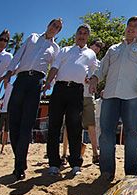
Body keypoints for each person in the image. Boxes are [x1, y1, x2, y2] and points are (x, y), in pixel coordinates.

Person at [0, 18, 63, 180]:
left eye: (58, 28)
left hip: (36, 83)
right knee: (14, 122)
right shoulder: (32, 37)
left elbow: (54, 69)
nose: (54, 28)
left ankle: (19, 166)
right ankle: (20, 160)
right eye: (53, 25)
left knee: (26, 124)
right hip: (20, 80)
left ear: (59, 31)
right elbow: (18, 55)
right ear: (48, 25)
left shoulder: (55, 48)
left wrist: (49, 84)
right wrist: (10, 72)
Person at [89, 16, 137, 181]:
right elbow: (102, 68)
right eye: (129, 25)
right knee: (106, 134)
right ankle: (106, 172)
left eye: (136, 26)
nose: (132, 28)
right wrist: (95, 79)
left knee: (132, 134)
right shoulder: (113, 49)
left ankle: (131, 174)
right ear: (126, 28)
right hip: (110, 95)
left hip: (133, 95)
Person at [42, 24, 98, 176]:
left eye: (85, 33)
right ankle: (53, 163)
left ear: (88, 37)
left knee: (75, 127)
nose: (82, 35)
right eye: (79, 32)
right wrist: (48, 83)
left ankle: (75, 164)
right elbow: (54, 67)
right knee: (54, 126)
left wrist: (91, 81)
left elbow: (94, 71)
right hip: (59, 89)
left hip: (76, 91)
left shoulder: (91, 54)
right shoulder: (65, 50)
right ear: (75, 35)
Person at [79, 39, 104, 165]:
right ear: (91, 44)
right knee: (71, 126)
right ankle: (66, 154)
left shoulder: (98, 64)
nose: (98, 48)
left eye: (100, 47)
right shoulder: (80, 57)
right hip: (75, 94)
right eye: (96, 45)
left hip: (89, 96)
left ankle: (95, 153)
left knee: (91, 125)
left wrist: (93, 81)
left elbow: (99, 78)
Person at [0, 83, 13, 154]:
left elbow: (1, 101)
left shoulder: (9, 88)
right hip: (6, 112)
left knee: (2, 131)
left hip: (5, 112)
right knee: (3, 131)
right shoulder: (11, 89)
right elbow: (1, 101)